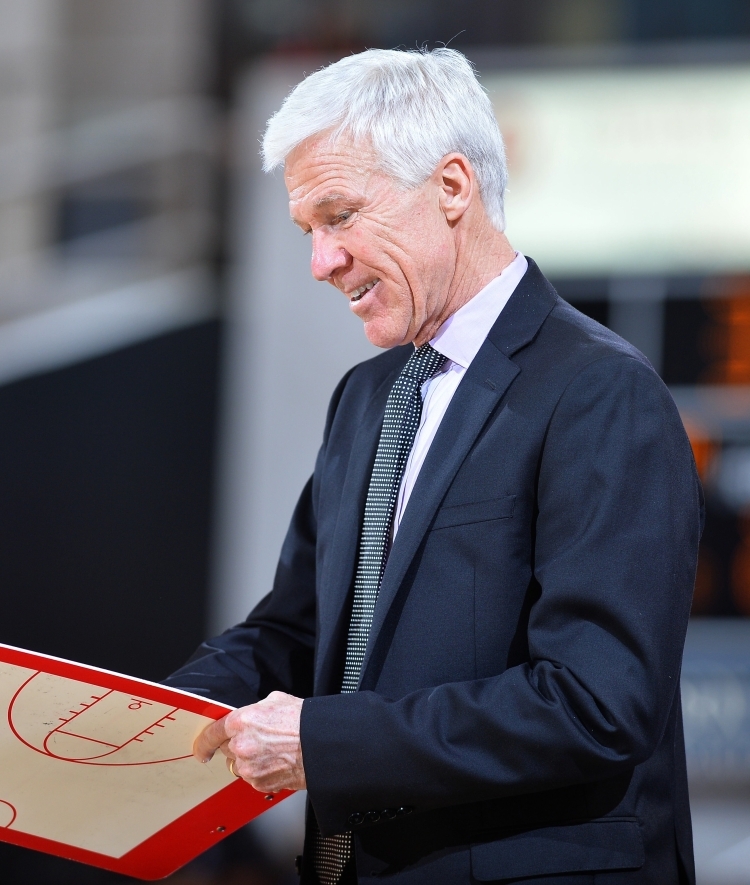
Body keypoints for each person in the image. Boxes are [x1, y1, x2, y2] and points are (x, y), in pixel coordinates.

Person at [165, 48, 702, 885]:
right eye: (310, 230)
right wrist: (150, 718)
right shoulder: (369, 396)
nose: (322, 262)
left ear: (452, 187)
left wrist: (320, 743)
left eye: (340, 215)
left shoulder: (602, 391)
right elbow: (296, 632)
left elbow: (596, 703)